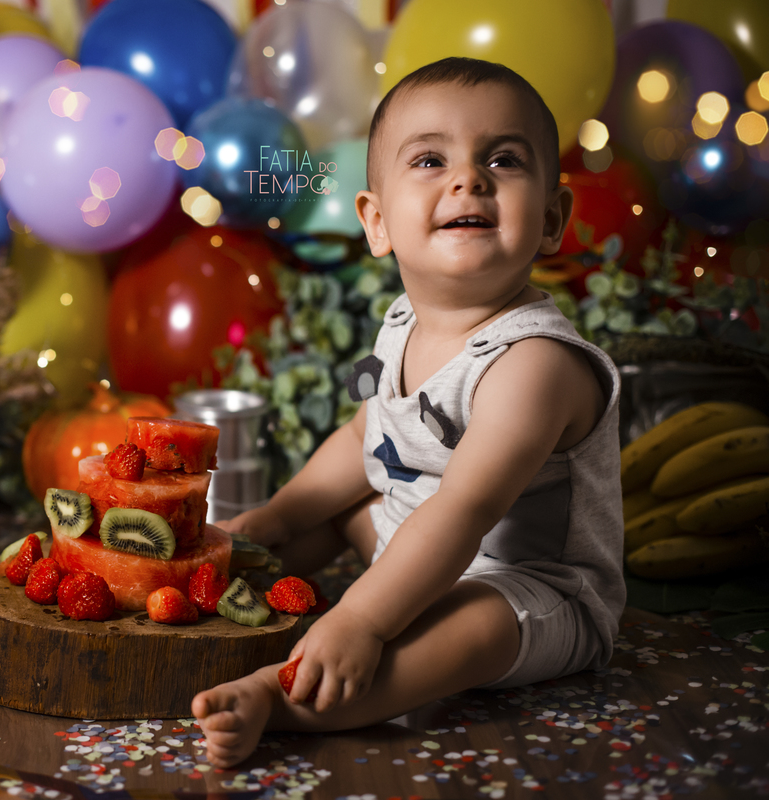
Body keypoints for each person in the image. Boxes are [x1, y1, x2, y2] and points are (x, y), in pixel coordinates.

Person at [191, 57, 625, 768]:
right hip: (411, 546)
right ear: (378, 221)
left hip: (529, 589)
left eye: (504, 160)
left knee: (474, 629)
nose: (469, 179)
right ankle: (223, 595)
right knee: (327, 511)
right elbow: (364, 435)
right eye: (430, 160)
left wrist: (361, 617)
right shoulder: (401, 323)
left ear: (551, 219)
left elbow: (462, 511)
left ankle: (287, 696)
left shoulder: (535, 364)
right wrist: (278, 516)